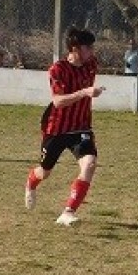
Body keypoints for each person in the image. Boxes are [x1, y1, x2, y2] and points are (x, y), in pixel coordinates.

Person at [23, 27, 106, 226]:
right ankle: (31, 182)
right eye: (88, 47)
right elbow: (58, 101)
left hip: (81, 127)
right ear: (75, 49)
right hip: (56, 129)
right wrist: (84, 92)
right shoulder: (57, 69)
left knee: (90, 164)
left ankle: (68, 212)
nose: (92, 52)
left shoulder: (91, 64)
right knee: (45, 172)